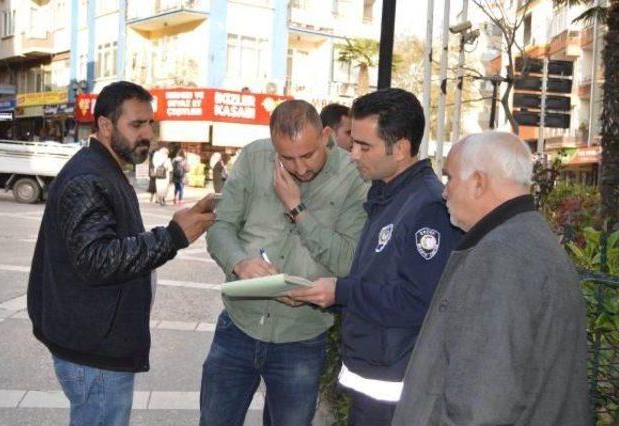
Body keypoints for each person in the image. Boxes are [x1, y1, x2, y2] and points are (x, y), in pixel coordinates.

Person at [27, 81, 215, 426]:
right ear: (105, 125)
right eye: (137, 124)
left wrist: (179, 227)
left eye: (150, 124)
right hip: (94, 352)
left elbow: (111, 245)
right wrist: (173, 236)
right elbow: (97, 260)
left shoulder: (105, 169)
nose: (148, 134)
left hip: (97, 343)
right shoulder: (89, 177)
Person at [390, 131, 590, 425]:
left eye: (449, 179)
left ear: (478, 182)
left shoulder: (503, 255)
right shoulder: (525, 238)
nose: (444, 192)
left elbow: (480, 404)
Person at [289, 88, 462, 425]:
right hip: (372, 377)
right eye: (353, 143)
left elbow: (419, 300)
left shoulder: (426, 207)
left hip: (395, 388)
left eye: (364, 146)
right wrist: (326, 295)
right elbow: (376, 281)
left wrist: (341, 292)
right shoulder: (387, 197)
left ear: (400, 148)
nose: (353, 154)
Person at [201, 99, 368, 426]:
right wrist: (240, 264)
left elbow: (347, 261)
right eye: (287, 158)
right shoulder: (254, 157)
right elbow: (221, 229)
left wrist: (297, 208)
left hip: (302, 339)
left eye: (308, 155)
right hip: (238, 325)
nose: (301, 168)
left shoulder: (353, 176)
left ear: (326, 136)